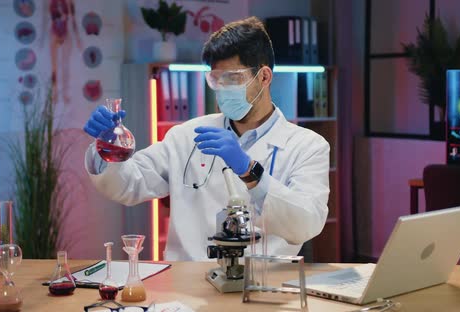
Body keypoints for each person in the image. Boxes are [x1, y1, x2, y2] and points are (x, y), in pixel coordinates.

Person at [83, 17, 330, 261]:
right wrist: (106, 149)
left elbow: (307, 224)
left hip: (262, 287)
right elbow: (129, 185)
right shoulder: (188, 135)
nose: (223, 88)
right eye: (216, 79)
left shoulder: (308, 146)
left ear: (264, 77)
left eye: (232, 78)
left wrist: (250, 172)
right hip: (188, 286)